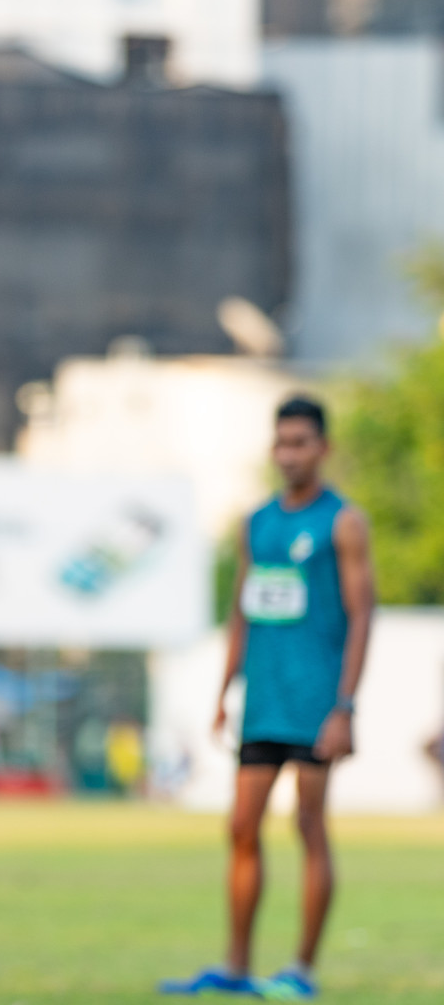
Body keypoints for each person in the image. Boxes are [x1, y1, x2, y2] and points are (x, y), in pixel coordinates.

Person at [161, 396, 374, 1001]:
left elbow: (362, 615)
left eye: (300, 443)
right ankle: (234, 966)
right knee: (242, 827)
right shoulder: (256, 522)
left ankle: (300, 971)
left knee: (309, 824)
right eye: (281, 443)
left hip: (315, 705)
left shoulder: (343, 522)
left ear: (323, 449)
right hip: (264, 702)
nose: (289, 454)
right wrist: (225, 689)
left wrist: (346, 706)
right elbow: (243, 612)